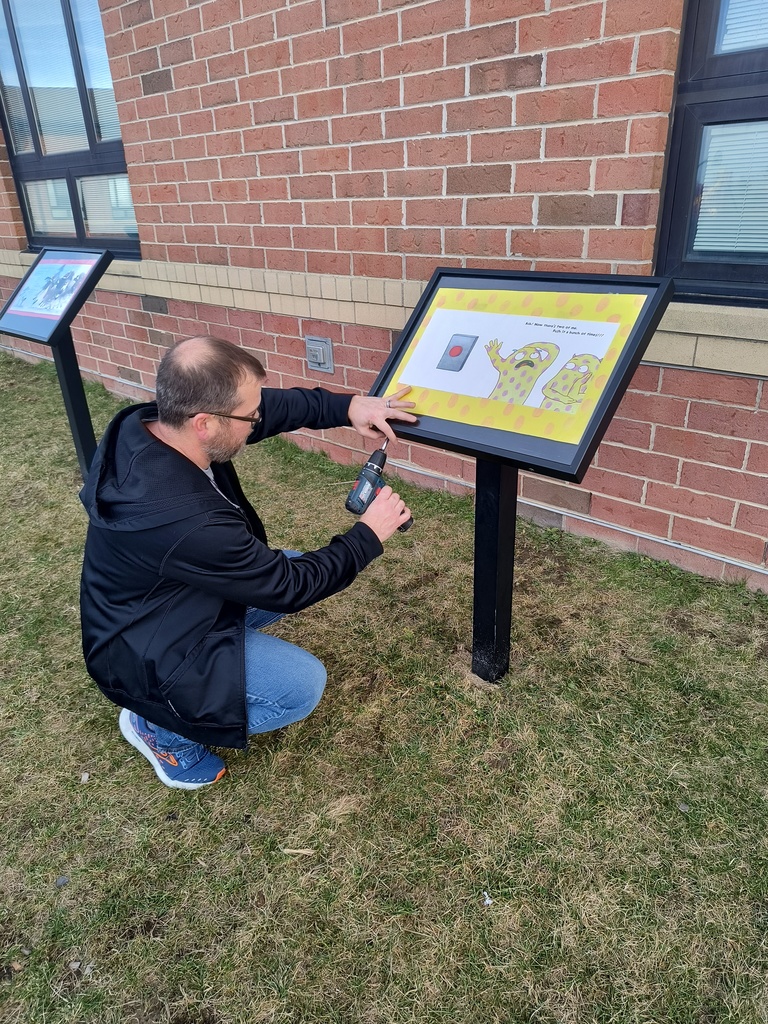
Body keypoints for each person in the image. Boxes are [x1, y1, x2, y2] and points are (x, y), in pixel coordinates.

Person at [79, 335, 416, 790]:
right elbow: (289, 588)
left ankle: (176, 696)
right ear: (205, 423)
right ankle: (159, 728)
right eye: (249, 416)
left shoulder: (154, 425)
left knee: (290, 563)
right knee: (300, 686)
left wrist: (350, 407)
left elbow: (270, 407)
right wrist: (367, 536)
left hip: (163, 604)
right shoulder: (183, 519)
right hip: (143, 648)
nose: (259, 418)